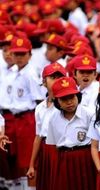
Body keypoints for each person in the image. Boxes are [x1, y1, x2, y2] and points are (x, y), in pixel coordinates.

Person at [1, 36, 44, 189]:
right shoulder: (11, 72)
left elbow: (39, 100)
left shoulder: (30, 74)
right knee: (11, 155)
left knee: (27, 157)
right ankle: (14, 185)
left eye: (22, 54)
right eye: (16, 54)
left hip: (26, 117)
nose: (18, 58)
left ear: (30, 55)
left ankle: (30, 187)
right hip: (11, 117)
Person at [46, 76, 96, 190]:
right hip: (63, 159)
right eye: (64, 99)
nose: (69, 102)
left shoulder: (89, 114)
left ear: (78, 96)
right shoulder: (53, 118)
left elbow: (96, 142)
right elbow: (53, 145)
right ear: (57, 101)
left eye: (72, 97)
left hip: (85, 158)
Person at [26, 63, 67, 190]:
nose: (57, 81)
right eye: (53, 77)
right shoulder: (40, 108)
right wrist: (32, 164)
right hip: (45, 150)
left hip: (60, 149)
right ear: (44, 82)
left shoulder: (67, 105)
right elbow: (38, 137)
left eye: (60, 77)